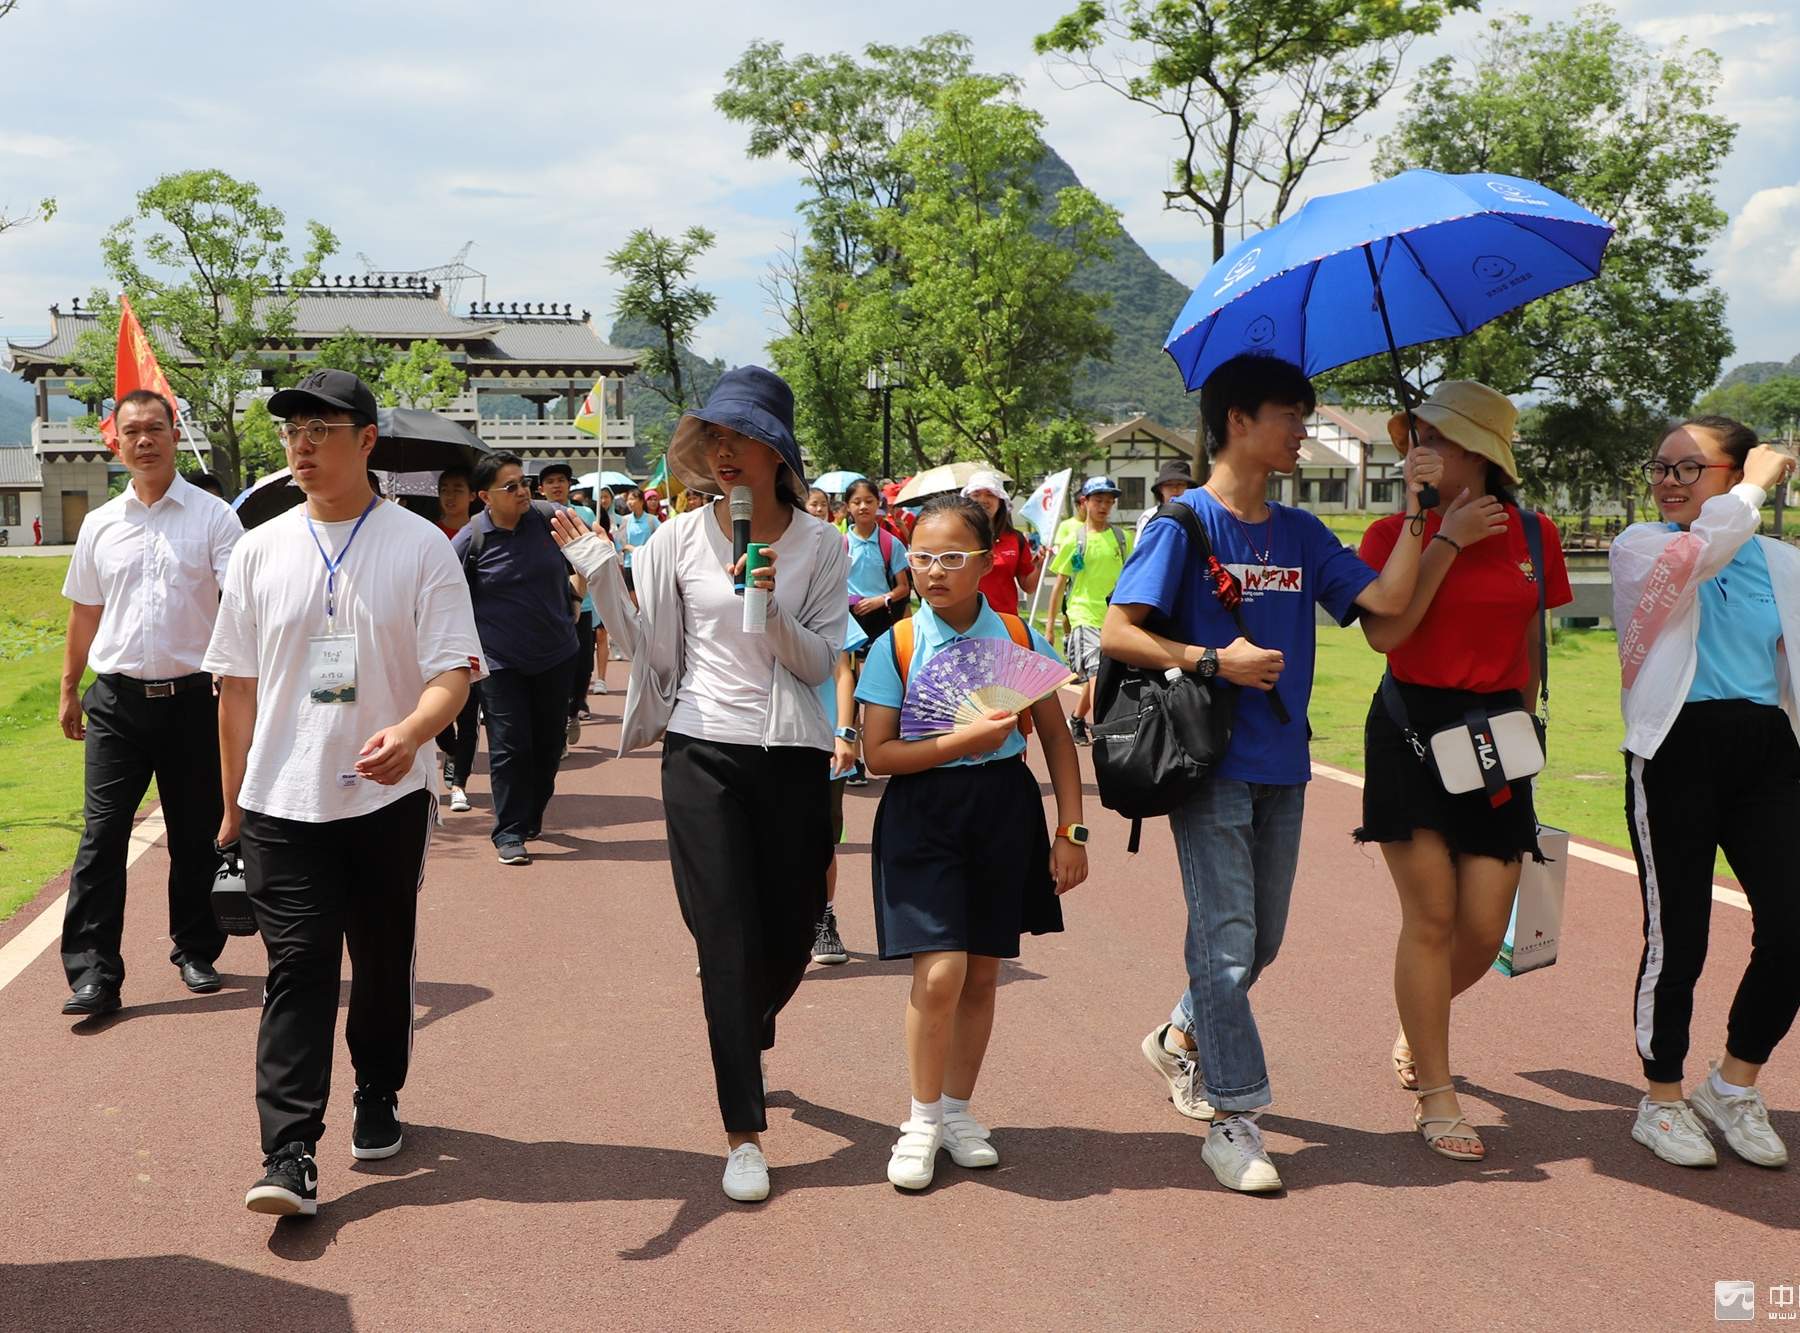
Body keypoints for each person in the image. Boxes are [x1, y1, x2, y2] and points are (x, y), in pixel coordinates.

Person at [1100, 351, 1436, 1193]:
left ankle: (1181, 1033)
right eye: (1290, 414)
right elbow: (1117, 632)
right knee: (1224, 945)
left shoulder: (1301, 532)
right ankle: (1235, 1118)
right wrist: (1215, 658)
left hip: (1286, 765)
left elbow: (1386, 606)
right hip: (1207, 762)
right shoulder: (1180, 524)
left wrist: (1425, 516)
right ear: (1238, 422)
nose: (1301, 430)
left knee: (1262, 941)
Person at [550, 365, 849, 1204]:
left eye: (741, 437)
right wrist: (604, 570)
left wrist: (773, 605)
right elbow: (656, 654)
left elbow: (823, 660)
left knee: (788, 934)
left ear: (775, 451)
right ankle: (744, 1133)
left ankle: (749, 1017)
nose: (725, 452)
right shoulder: (677, 540)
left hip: (790, 750)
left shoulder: (825, 547)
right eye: (714, 438)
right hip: (701, 748)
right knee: (721, 936)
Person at [204, 368, 481, 1218]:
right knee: (299, 966)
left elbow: (452, 673)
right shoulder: (258, 548)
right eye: (293, 430)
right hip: (284, 801)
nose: (303, 444)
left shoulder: (421, 545)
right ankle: (287, 1151)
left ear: (366, 441)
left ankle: (379, 1089)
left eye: (322, 428)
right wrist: (232, 808)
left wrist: (412, 733)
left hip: (384, 798)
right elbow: (238, 688)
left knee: (382, 956)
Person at [1352, 382, 1571, 1161]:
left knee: (1484, 926)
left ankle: (1419, 1021)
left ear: (1478, 454)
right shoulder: (1391, 534)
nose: (1418, 450)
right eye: (1413, 437)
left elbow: (1534, 636)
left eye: (1433, 438)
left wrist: (1526, 722)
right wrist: (1441, 537)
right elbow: (1389, 634)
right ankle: (1435, 1090)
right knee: (1434, 916)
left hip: (1498, 737)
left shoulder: (1536, 533)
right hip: (1413, 728)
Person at [856, 493, 1088, 1189]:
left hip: (1003, 808)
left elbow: (1055, 737)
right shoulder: (895, 643)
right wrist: (966, 737)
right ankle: (921, 1118)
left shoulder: (1018, 638)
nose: (933, 570)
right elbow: (880, 754)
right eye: (923, 556)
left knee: (984, 973)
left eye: (952, 557)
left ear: (987, 562)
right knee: (941, 971)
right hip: (922, 812)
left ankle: (958, 1110)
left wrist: (1070, 829)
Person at [1611, 415, 1799, 1170]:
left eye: (1687, 468)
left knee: (1793, 926)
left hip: (1766, 752)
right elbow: (1702, 553)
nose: (1665, 480)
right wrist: (1753, 487)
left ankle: (1734, 1082)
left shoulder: (1784, 563)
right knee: (1678, 936)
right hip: (1675, 749)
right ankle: (1660, 1099)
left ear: (1726, 472)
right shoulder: (1644, 546)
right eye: (1659, 465)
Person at [56, 389, 241, 1016]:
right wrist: (68, 688)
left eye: (155, 429)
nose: (144, 440)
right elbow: (85, 610)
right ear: (116, 440)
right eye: (131, 431)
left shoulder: (214, 517)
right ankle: (93, 973)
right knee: (102, 836)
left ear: (172, 432)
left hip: (194, 702)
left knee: (194, 836)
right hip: (116, 703)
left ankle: (195, 948)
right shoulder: (100, 524)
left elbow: (241, 604)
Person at [453, 452, 581, 865]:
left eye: (522, 482)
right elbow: (442, 594)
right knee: (510, 746)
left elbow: (591, 554)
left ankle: (529, 814)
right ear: (484, 497)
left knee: (548, 745)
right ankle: (508, 831)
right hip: (500, 661)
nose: (522, 491)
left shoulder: (550, 518)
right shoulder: (470, 539)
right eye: (510, 487)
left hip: (556, 654)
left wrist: (576, 594)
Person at [1045, 477, 1132, 745]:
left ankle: (1077, 718)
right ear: (1085, 502)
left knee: (1103, 675)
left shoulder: (1122, 537)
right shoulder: (1075, 539)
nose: (1104, 506)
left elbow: (1132, 575)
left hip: (1114, 616)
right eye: (1098, 500)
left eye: (1109, 501)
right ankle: (1106, 728)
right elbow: (1059, 585)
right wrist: (1050, 626)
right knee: (1097, 673)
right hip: (1083, 615)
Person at [812, 621, 866, 967]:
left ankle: (823, 919)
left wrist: (844, 733)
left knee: (821, 840)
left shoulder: (827, 595)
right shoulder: (750, 596)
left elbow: (843, 672)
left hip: (823, 740)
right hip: (760, 736)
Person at [539, 462, 600, 735]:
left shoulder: (585, 513)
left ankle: (574, 710)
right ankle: (557, 726)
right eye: (550, 481)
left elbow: (598, 550)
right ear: (541, 489)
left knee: (583, 664)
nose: (556, 485)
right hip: (549, 604)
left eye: (561, 480)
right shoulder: (533, 516)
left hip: (584, 602)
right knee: (555, 665)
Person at [433, 466, 481, 812]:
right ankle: (449, 749)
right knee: (437, 717)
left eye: (458, 489)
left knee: (468, 711)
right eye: (445, 489)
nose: (451, 496)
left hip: (473, 634)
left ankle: (459, 783)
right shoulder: (427, 535)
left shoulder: (481, 533)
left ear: (472, 495)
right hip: (432, 635)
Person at [961, 470, 1039, 616]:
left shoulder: (1016, 539)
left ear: (1000, 502)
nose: (983, 499)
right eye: (976, 494)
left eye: (990, 494)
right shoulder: (955, 537)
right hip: (963, 622)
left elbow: (1028, 586)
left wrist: (1040, 565)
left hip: (1004, 622)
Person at [843, 477, 912, 641]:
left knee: (880, 660)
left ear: (877, 503)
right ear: (848, 507)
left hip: (882, 615)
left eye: (868, 501)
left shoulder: (891, 543)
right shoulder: (840, 544)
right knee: (852, 664)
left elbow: (903, 587)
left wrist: (881, 600)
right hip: (849, 617)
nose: (863, 507)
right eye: (856, 502)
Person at [1135, 459, 1197, 543]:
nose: (1175, 489)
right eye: (1169, 484)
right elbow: (1142, 552)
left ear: (1188, 487)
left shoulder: (1197, 516)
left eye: (1180, 484)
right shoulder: (1149, 516)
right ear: (1160, 489)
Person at [618, 486, 662, 598]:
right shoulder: (625, 520)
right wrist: (625, 547)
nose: (629, 502)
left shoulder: (652, 520)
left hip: (647, 563)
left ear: (642, 501)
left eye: (633, 499)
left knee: (647, 597)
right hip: (629, 564)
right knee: (634, 601)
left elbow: (661, 538)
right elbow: (620, 541)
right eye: (628, 499)